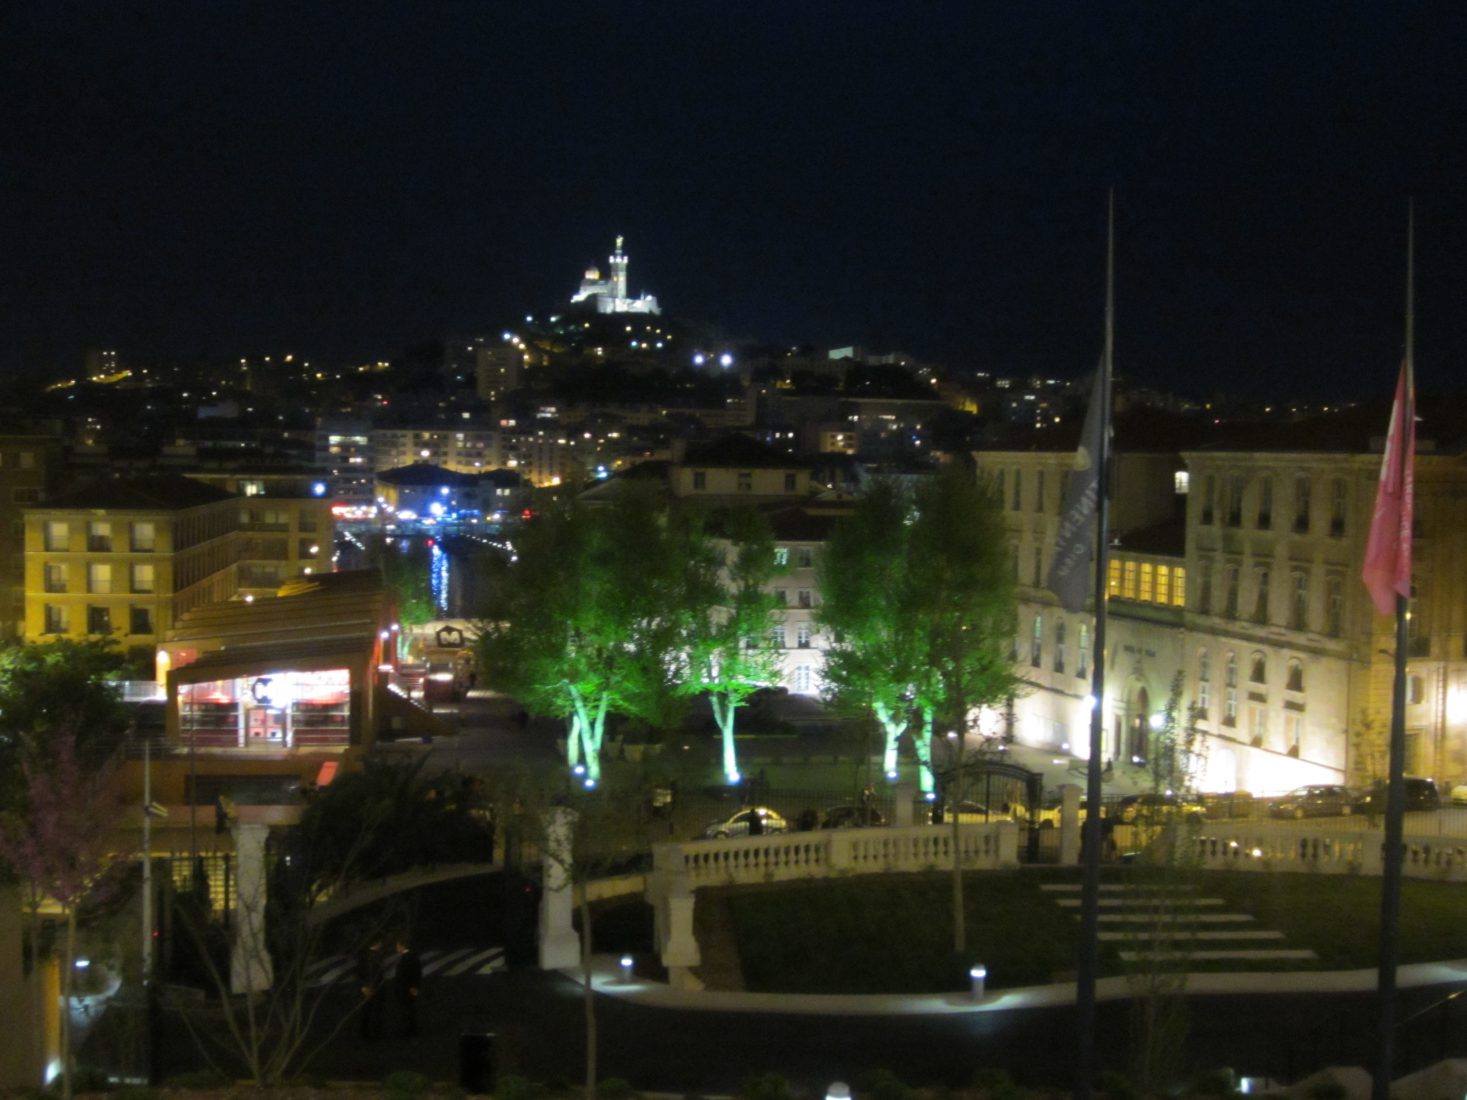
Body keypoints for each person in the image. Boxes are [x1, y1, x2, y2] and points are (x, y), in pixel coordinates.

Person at [356, 939, 385, 1040]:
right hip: (374, 987)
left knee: (368, 1011)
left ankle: (367, 1033)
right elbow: (376, 974)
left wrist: (363, 986)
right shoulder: (375, 957)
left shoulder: (364, 956)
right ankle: (373, 1033)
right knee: (374, 1011)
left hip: (368, 987)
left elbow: (359, 972)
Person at [393, 938, 422, 1038]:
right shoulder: (413, 956)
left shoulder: (405, 958)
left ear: (401, 945)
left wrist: (412, 986)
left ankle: (409, 1031)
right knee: (410, 1009)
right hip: (409, 988)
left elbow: (407, 974)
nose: (396, 947)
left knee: (406, 1010)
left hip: (405, 988)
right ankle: (411, 1029)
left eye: (397, 945)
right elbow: (418, 972)